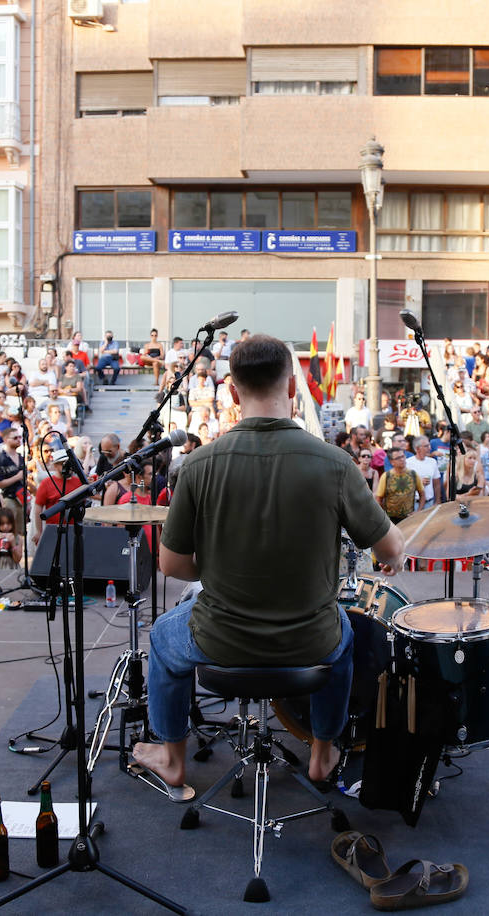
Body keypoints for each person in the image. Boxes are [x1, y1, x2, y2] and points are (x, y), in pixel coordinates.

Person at [132, 333, 405, 793]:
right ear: (293, 388)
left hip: (221, 640)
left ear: (234, 393)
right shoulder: (335, 463)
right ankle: (322, 754)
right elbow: (391, 550)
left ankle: (173, 759)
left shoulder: (198, 465)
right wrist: (388, 551)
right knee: (344, 634)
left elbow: (171, 564)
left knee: (162, 636)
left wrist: (217, 568)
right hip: (309, 639)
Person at [376, 449, 421, 522]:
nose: (402, 459)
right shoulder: (386, 476)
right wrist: (384, 516)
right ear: (392, 462)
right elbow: (379, 498)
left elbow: (422, 493)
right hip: (391, 518)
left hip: (409, 517)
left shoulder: (413, 474)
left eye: (403, 456)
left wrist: (418, 511)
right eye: (398, 458)